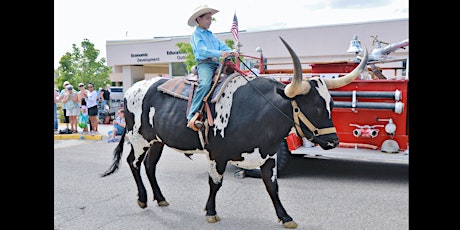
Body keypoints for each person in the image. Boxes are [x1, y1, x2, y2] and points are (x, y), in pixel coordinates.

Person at [186, 4, 239, 130]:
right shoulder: (196, 35)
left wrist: (232, 51)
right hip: (205, 64)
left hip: (216, 63)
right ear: (199, 19)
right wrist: (220, 53)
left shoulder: (211, 35)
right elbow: (202, 51)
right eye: (208, 18)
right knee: (205, 84)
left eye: (211, 18)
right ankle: (192, 115)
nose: (210, 21)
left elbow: (222, 46)